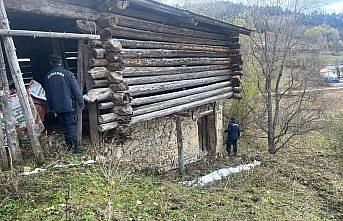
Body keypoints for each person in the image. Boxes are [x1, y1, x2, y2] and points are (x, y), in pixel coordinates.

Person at [45, 54, 84, 153]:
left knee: (64, 126)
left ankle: (69, 146)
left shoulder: (48, 76)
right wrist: (81, 102)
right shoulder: (68, 74)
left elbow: (48, 94)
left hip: (57, 107)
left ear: (51, 63)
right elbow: (76, 90)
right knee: (71, 125)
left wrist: (49, 108)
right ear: (60, 62)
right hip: (68, 105)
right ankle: (76, 147)